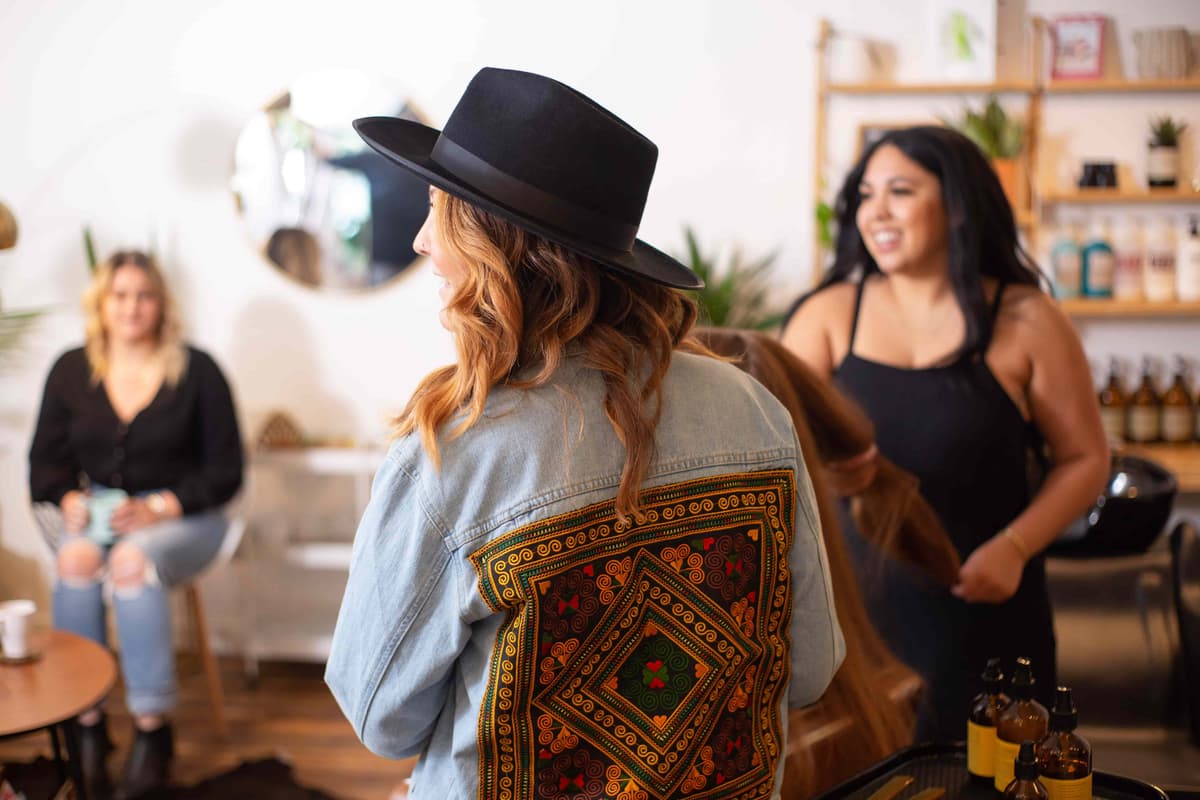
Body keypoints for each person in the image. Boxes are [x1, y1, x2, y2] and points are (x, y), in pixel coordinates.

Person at [325, 67, 844, 799]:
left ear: (493, 245)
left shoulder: (455, 453)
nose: (420, 241)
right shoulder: (755, 411)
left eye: (438, 211)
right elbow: (811, 668)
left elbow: (381, 717)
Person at [781, 125, 1109, 742]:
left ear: (958, 206)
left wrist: (1014, 547)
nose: (876, 211)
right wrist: (820, 472)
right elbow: (773, 454)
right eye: (866, 194)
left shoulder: (1027, 320)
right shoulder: (827, 317)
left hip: (989, 610)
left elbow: (1085, 458)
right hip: (852, 621)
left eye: (900, 191)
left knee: (997, 774)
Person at [28, 249, 243, 798]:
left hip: (188, 519)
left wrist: (160, 507)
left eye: (144, 295)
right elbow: (44, 466)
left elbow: (226, 472)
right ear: (101, 304)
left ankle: (152, 728)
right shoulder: (71, 370)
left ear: (161, 304)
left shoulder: (198, 370)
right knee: (75, 557)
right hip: (101, 513)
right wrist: (68, 499)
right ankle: (86, 723)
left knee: (131, 562)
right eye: (119, 296)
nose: (131, 307)